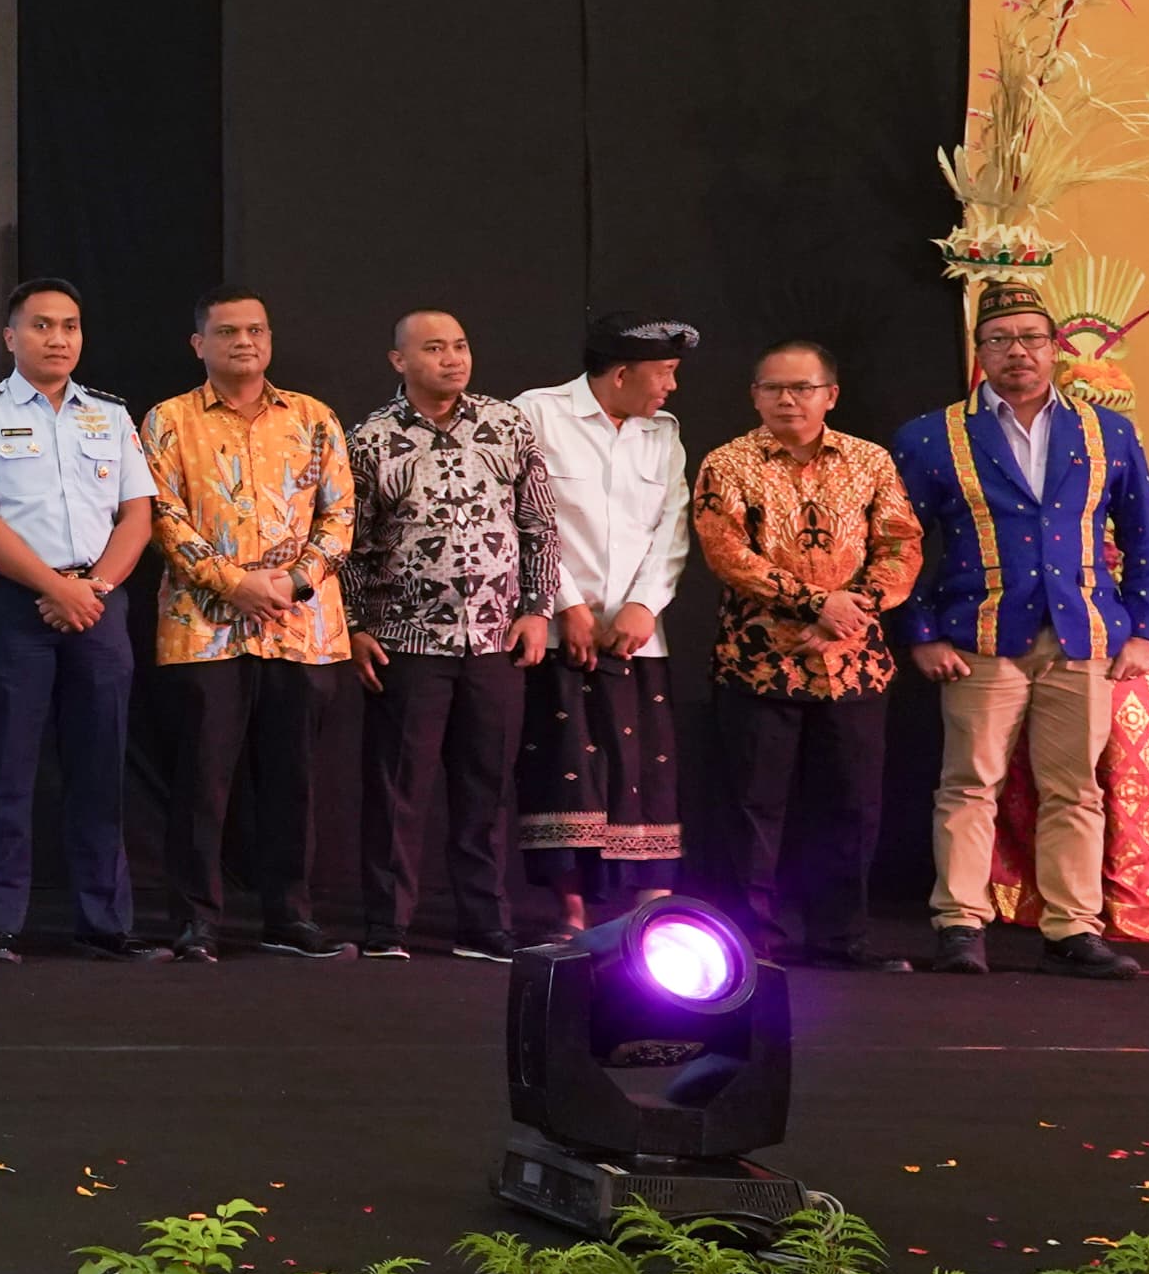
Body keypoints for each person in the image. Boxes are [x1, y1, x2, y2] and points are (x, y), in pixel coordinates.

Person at [891, 283, 1149, 979]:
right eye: (1001, 338)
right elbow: (903, 542)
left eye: (1032, 337)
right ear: (979, 352)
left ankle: (1072, 928)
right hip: (978, 635)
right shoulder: (932, 434)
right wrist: (920, 630)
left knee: (1075, 787)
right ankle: (960, 923)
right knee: (968, 782)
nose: (1018, 351)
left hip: (1084, 635)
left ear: (1055, 347)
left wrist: (1143, 630)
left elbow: (1142, 534)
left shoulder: (1109, 431)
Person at [0, 280, 157, 962]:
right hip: (15, 603)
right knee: (7, 766)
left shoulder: (112, 415)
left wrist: (93, 587)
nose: (58, 338)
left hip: (99, 599)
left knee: (101, 766)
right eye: (41, 326)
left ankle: (105, 922)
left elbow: (138, 516)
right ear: (10, 337)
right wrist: (51, 587)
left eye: (69, 325)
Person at [138, 288, 356, 962]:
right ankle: (197, 919)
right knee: (203, 780)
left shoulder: (314, 418)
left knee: (294, 779)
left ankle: (289, 916)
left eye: (256, 330)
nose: (245, 342)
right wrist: (237, 584)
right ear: (198, 343)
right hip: (204, 627)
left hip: (302, 625)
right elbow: (161, 517)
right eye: (228, 331)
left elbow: (340, 516)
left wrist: (291, 581)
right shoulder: (168, 419)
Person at [694, 340, 923, 971]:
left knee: (852, 806)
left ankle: (841, 938)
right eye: (772, 388)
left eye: (801, 388)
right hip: (759, 660)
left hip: (854, 661)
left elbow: (902, 545)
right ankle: (752, 944)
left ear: (831, 395)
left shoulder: (870, 462)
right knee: (754, 807)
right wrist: (814, 603)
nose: (787, 399)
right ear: (754, 395)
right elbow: (729, 554)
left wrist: (854, 608)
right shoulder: (728, 463)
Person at [343, 308, 556, 962]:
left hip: (494, 639)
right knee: (398, 791)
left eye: (460, 345)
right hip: (406, 640)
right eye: (434, 348)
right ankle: (387, 926)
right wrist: (353, 626)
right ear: (398, 360)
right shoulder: (369, 439)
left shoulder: (506, 424)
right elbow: (347, 545)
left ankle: (483, 926)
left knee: (484, 789)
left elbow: (538, 524)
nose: (452, 358)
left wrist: (537, 607)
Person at [515, 312, 698, 929]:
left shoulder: (662, 435)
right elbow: (528, 516)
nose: (670, 386)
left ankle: (646, 909)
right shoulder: (538, 414)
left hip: (636, 636)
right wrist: (565, 602)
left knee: (642, 770)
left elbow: (671, 528)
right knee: (565, 765)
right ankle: (568, 909)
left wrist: (645, 604)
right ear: (621, 373)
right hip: (560, 629)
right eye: (663, 373)